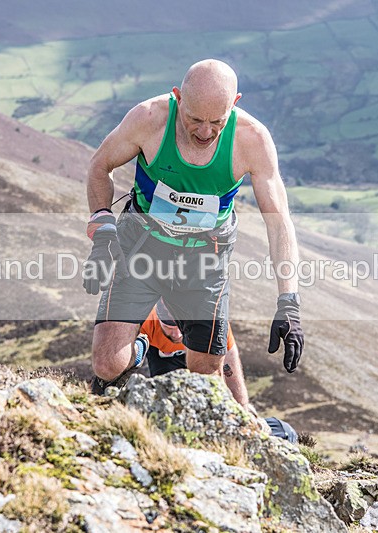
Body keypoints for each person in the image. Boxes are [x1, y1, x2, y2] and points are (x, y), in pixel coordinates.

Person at [83, 58, 304, 393]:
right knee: (107, 364)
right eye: (194, 119)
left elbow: (279, 221)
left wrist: (289, 300)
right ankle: (141, 349)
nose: (204, 131)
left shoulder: (252, 140)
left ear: (235, 103)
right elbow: (100, 166)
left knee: (203, 372)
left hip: (204, 258)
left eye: (217, 121)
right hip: (141, 245)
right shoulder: (149, 119)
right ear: (178, 98)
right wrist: (102, 230)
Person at [144, 299, 298, 443]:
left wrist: (243, 410)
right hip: (162, 354)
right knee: (169, 405)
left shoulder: (210, 320)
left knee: (212, 401)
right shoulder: (146, 318)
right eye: (169, 327)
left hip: (199, 345)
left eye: (179, 326)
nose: (177, 335)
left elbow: (230, 364)